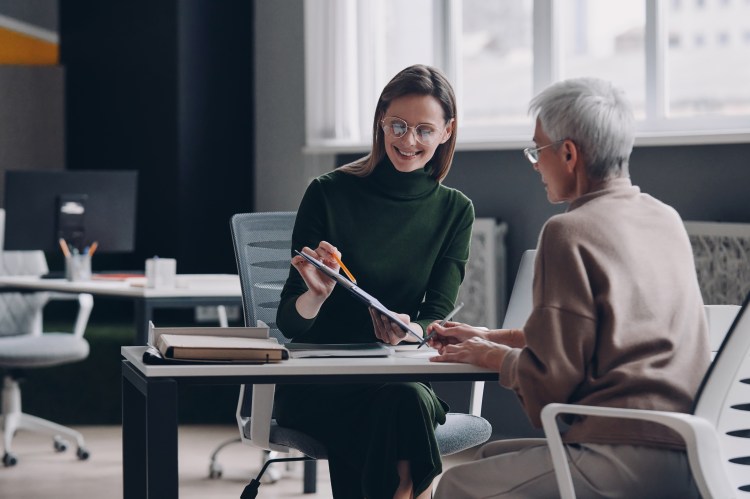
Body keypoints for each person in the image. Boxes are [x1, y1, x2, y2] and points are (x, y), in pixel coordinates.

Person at [427, 77, 709, 498]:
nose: (536, 164)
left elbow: (552, 384)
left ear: (569, 153)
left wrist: (492, 357)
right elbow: (605, 336)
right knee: (489, 459)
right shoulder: (664, 217)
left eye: (538, 150)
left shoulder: (568, 232)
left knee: (454, 485)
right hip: (691, 453)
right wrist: (488, 336)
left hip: (619, 457)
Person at [275, 64, 474, 499]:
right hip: (321, 382)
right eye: (398, 125)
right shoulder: (328, 192)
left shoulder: (455, 210)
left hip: (394, 375)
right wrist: (314, 296)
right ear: (381, 120)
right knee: (402, 409)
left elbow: (435, 315)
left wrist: (410, 331)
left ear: (447, 132)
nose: (408, 141)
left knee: (401, 402)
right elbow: (290, 324)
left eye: (424, 129)